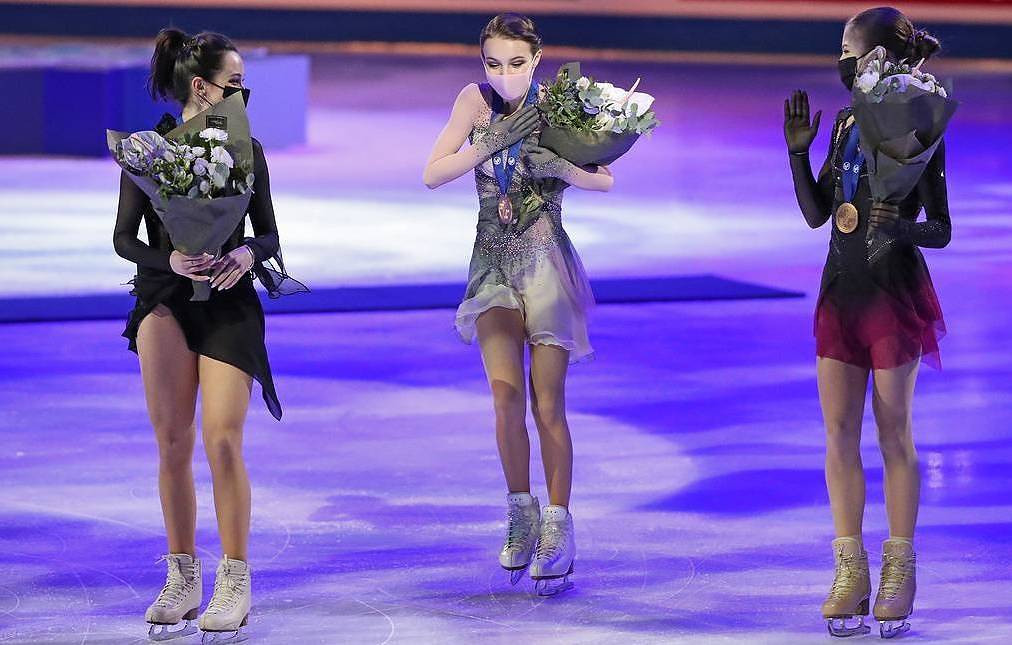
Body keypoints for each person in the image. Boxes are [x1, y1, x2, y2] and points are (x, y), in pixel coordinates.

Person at [113, 27, 302, 642]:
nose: (243, 94)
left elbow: (269, 234)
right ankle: (182, 575)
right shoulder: (150, 151)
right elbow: (124, 239)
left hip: (229, 304)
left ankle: (235, 579)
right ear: (203, 87)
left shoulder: (250, 153)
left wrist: (247, 254)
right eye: (236, 84)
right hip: (166, 302)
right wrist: (169, 262)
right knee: (173, 442)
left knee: (222, 440)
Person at [422, 13, 613, 595]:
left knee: (546, 403)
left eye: (515, 63)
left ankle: (559, 526)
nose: (503, 74)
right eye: (493, 63)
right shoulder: (473, 102)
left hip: (547, 263)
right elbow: (432, 172)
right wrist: (490, 144)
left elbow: (604, 178)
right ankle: (521, 512)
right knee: (505, 398)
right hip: (492, 265)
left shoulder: (560, 105)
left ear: (536, 59)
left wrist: (565, 168)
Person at [783, 6, 950, 638]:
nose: (841, 58)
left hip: (892, 297)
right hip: (841, 293)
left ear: (873, 57)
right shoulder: (850, 121)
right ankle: (849, 573)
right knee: (838, 433)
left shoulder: (919, 126)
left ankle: (899, 570)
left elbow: (941, 226)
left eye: (847, 47)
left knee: (892, 432)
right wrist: (799, 155)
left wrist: (898, 224)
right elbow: (818, 214)